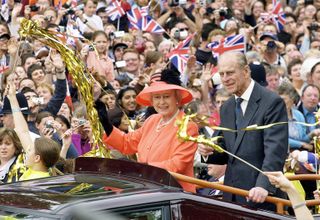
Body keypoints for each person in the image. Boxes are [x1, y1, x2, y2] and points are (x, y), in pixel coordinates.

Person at [198, 51, 288, 210]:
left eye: (230, 73)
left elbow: (275, 152)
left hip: (262, 198)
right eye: (222, 74)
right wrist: (208, 151)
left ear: (246, 71)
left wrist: (263, 186)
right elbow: (225, 151)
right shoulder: (227, 107)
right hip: (232, 196)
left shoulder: (271, 102)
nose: (225, 79)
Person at [97, 69, 198, 192]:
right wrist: (107, 125)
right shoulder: (152, 120)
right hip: (148, 190)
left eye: (166, 97)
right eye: (157, 97)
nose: (161, 102)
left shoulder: (187, 126)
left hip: (175, 195)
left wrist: (140, 170)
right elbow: (127, 143)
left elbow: (177, 164)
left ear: (177, 98)